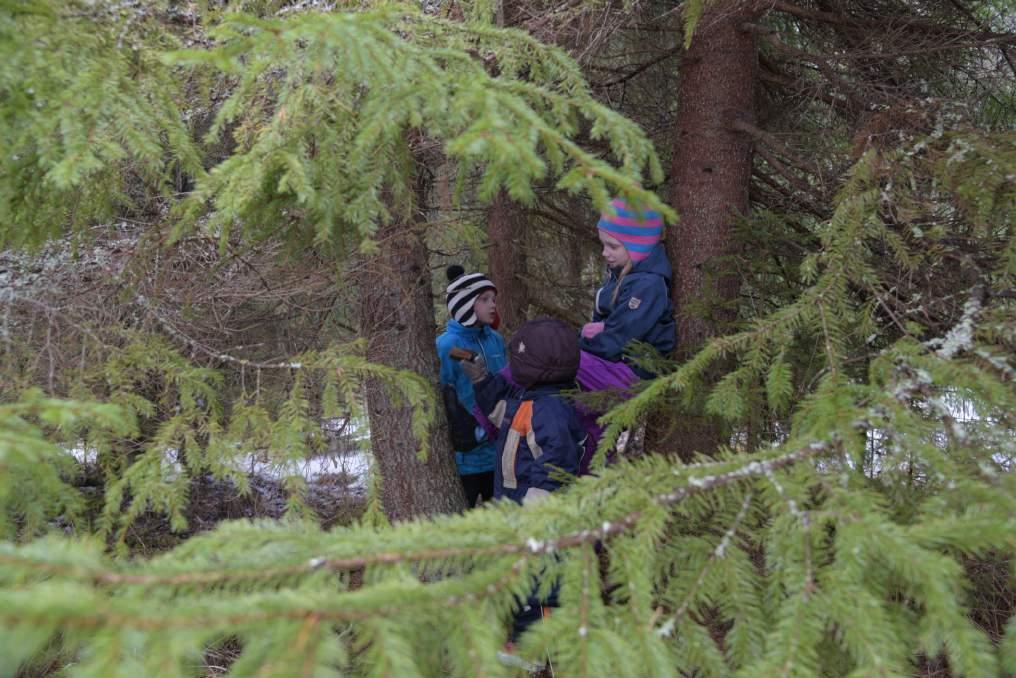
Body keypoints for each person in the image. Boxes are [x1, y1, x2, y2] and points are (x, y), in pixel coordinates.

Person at [465, 316, 585, 646]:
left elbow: (557, 462)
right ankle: (526, 643)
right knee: (523, 584)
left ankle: (544, 652)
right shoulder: (532, 403)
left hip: (538, 523)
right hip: (520, 516)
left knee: (541, 589)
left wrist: (536, 514)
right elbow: (505, 416)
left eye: (517, 359)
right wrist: (482, 381)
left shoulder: (550, 409)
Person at [575, 198, 677, 468]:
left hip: (632, 371)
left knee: (552, 357)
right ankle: (587, 473)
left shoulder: (648, 285)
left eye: (613, 246)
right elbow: (610, 327)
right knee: (589, 425)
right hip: (616, 365)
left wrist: (585, 337)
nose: (604, 253)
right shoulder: (623, 273)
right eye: (603, 244)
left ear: (638, 245)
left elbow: (615, 340)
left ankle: (494, 405)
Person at [435, 265, 507, 508]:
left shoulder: (495, 339)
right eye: (484, 299)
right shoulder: (447, 346)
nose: (492, 305)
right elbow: (442, 394)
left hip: (498, 451)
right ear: (464, 304)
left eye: (493, 299)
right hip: (466, 455)